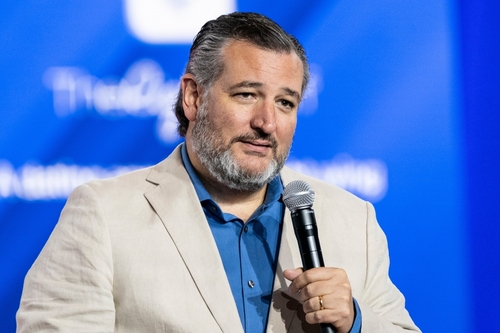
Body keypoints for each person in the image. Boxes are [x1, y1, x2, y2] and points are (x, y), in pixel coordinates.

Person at [17, 12, 420, 333]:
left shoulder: (353, 220)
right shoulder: (103, 215)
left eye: (285, 103)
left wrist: (354, 322)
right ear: (193, 96)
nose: (267, 122)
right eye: (247, 94)